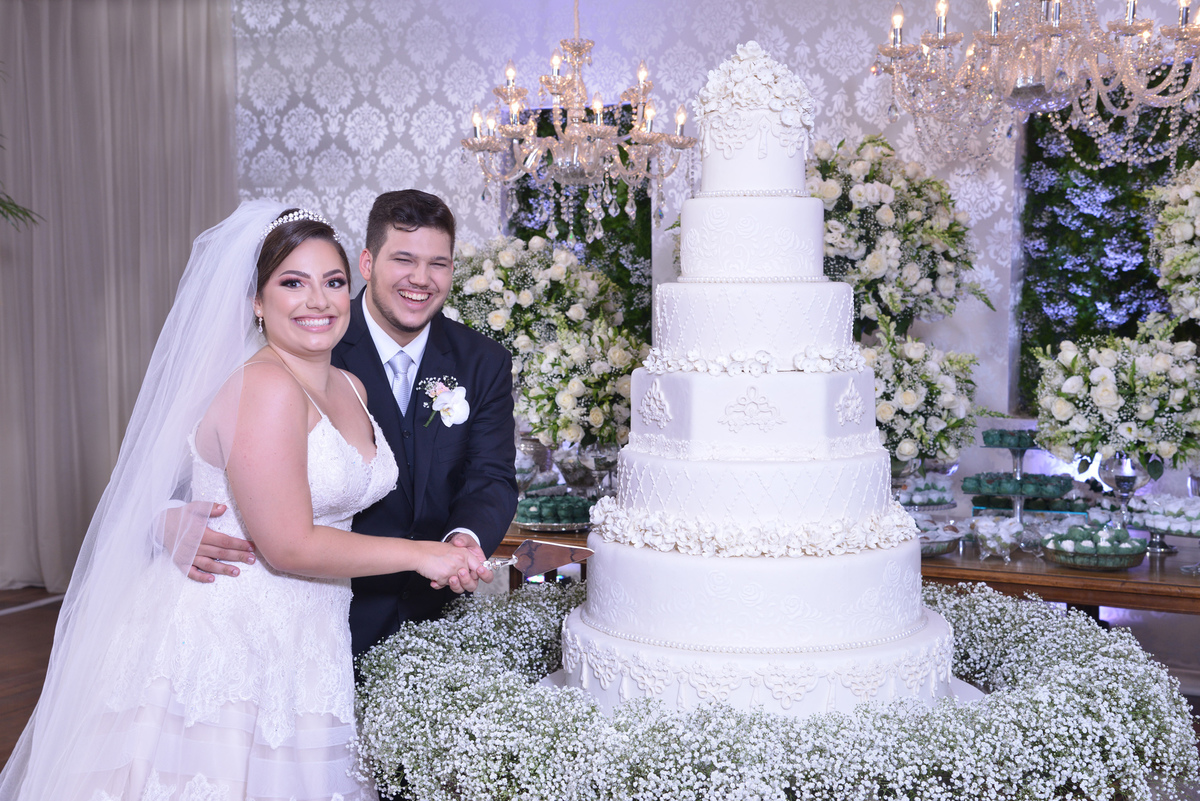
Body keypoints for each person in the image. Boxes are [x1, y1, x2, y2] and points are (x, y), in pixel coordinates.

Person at [0, 201, 481, 800]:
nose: (319, 300)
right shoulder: (267, 384)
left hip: (308, 636)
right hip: (229, 637)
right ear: (256, 300)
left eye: (333, 283)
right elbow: (286, 544)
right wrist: (421, 555)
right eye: (292, 283)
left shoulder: (349, 385)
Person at [191, 190, 519, 656]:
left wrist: (460, 544)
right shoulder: (308, 348)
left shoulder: (476, 362)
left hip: (427, 615)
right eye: (404, 259)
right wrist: (164, 521)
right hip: (285, 620)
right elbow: (193, 472)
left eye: (438, 264)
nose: (420, 279)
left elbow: (491, 476)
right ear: (367, 263)